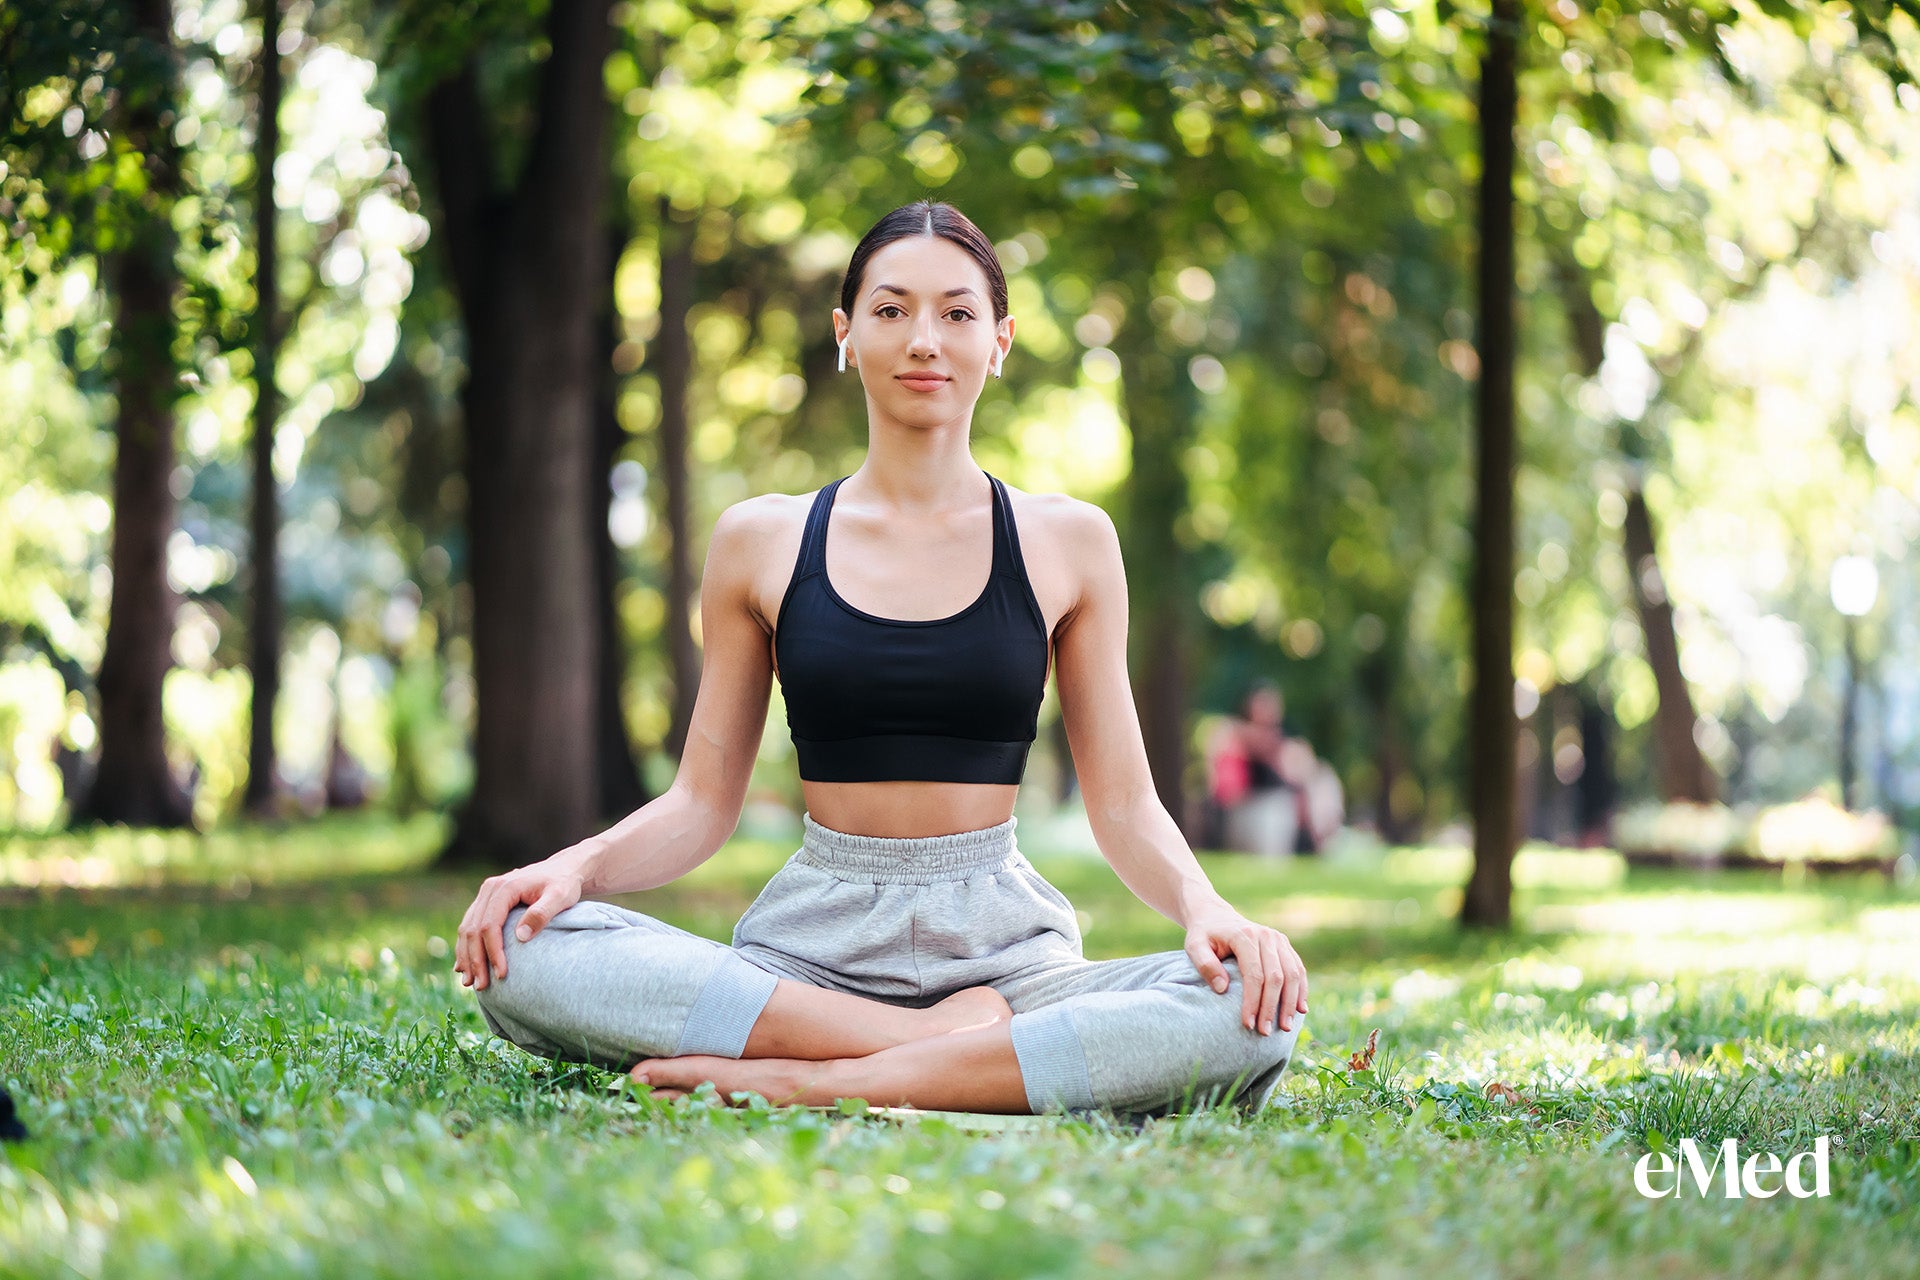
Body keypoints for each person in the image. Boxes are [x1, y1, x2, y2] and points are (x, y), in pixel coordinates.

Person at [452, 200, 1308, 1117]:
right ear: (846, 335)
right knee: (526, 949)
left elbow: (1125, 803)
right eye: (892, 310)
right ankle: (934, 1055)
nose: (924, 340)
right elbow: (702, 803)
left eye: (958, 312)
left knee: (1254, 1015)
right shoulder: (761, 540)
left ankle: (817, 1084)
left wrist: (1206, 909)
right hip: (805, 960)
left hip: (1004, 962)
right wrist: (572, 871)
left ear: (1001, 340)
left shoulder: (1070, 542)